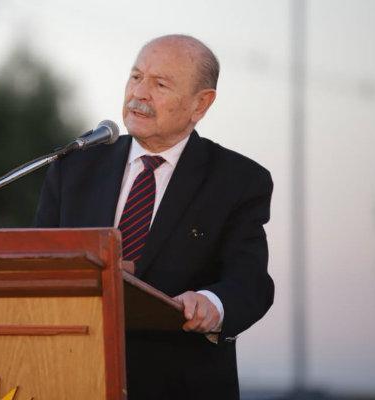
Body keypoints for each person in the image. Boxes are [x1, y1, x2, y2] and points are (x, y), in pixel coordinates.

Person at [34, 34, 274, 399]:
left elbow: (250, 281)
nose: (139, 93)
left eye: (160, 84)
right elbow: (38, 262)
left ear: (200, 104)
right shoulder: (74, 167)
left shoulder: (237, 180)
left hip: (180, 385)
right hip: (75, 377)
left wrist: (213, 303)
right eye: (136, 77)